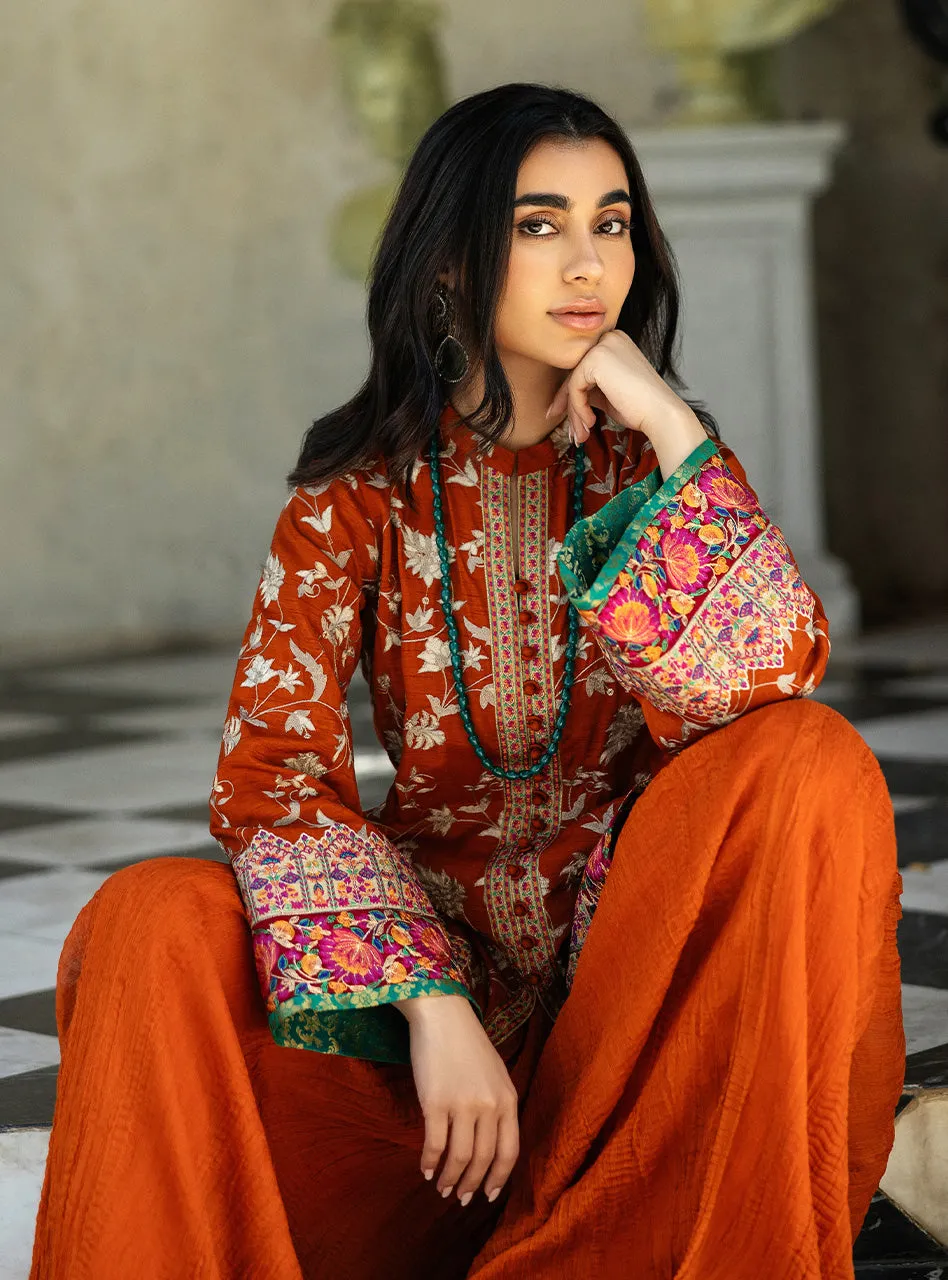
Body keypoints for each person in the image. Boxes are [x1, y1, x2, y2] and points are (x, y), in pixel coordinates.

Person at [31, 82, 905, 1279]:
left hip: (638, 1042)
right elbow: (271, 781)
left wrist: (672, 427)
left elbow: (771, 678)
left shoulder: (661, 475)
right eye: (539, 224)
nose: (588, 262)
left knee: (809, 755)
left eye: (611, 222)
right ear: (449, 260)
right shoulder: (353, 495)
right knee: (150, 915)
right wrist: (429, 1001)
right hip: (425, 1089)